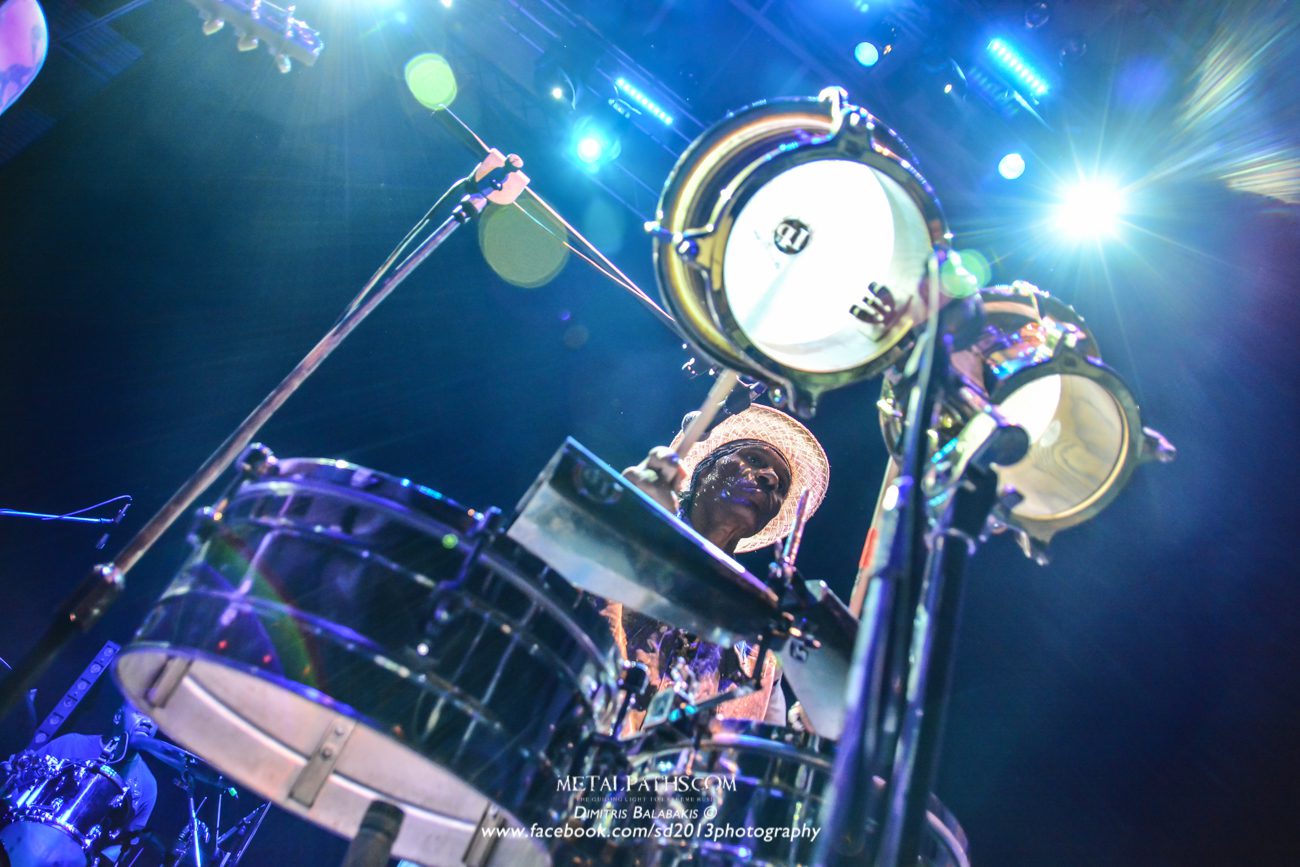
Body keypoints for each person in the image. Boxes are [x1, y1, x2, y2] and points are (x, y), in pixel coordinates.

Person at [610, 403, 830, 728]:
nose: (770, 478)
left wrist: (809, 725)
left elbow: (762, 741)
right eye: (754, 459)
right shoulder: (638, 533)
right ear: (704, 471)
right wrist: (622, 519)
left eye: (781, 486)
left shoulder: (763, 644)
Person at [0, 703, 159, 865]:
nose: (148, 722)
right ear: (118, 717)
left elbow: (123, 844)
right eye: (140, 712)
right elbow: (19, 786)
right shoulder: (70, 743)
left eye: (155, 719)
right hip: (22, 841)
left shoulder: (148, 785)